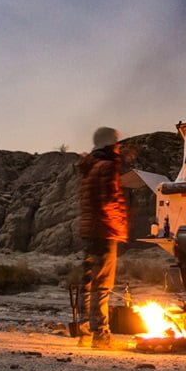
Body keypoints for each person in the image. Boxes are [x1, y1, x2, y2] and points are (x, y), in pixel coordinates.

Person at [77, 127, 128, 349]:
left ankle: (84, 331)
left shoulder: (90, 167)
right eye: (117, 144)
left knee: (88, 282)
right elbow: (110, 201)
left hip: (90, 231)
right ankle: (101, 334)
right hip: (104, 230)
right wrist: (120, 223)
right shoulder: (108, 166)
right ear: (110, 144)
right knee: (102, 284)